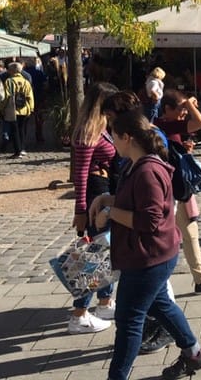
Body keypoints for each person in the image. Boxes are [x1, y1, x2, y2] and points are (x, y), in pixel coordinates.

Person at [89, 110, 201, 380]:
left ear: (128, 137)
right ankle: (193, 353)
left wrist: (111, 214)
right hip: (151, 253)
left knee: (129, 321)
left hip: (147, 257)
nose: (110, 142)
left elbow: (149, 220)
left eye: (113, 136)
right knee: (160, 304)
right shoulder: (136, 164)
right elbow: (136, 201)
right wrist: (107, 199)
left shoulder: (147, 170)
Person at [154, 89, 201, 295]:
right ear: (167, 109)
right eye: (179, 109)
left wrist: (183, 150)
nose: (184, 113)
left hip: (178, 188)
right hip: (172, 191)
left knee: (189, 233)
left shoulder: (169, 125)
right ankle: (170, 283)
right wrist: (189, 104)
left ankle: (200, 279)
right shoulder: (166, 124)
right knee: (179, 236)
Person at [69, 81, 121, 334]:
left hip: (103, 190)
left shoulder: (101, 128)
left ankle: (104, 301)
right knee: (95, 256)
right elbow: (79, 174)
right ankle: (79, 313)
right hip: (95, 193)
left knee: (105, 253)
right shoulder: (89, 132)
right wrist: (80, 209)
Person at [3, 61, 34, 158]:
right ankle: (23, 148)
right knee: (22, 129)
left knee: (14, 130)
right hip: (24, 109)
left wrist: (2, 108)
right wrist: (31, 108)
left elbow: (6, 96)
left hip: (13, 109)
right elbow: (30, 96)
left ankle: (17, 151)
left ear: (12, 70)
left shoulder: (9, 81)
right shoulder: (26, 82)